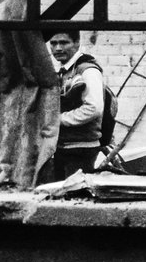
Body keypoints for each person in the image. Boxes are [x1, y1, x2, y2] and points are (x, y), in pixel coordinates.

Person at [42, 30, 112, 182]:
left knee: (74, 191)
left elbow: (93, 108)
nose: (58, 48)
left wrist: (57, 120)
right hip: (64, 147)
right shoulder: (65, 70)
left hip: (81, 148)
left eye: (64, 42)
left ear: (77, 43)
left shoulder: (88, 70)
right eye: (53, 43)